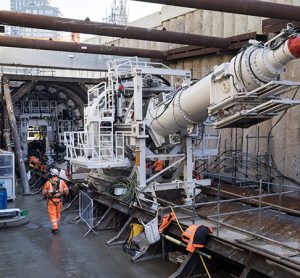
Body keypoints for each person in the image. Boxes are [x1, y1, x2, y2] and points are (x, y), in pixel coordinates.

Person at [42, 168, 69, 234]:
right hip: (59, 200)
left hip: (51, 201)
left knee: (52, 214)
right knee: (58, 213)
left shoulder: (48, 182)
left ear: (51, 174)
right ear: (57, 174)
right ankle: (57, 224)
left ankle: (55, 228)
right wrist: (65, 196)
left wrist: (44, 196)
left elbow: (44, 192)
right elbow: (66, 190)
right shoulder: (62, 182)